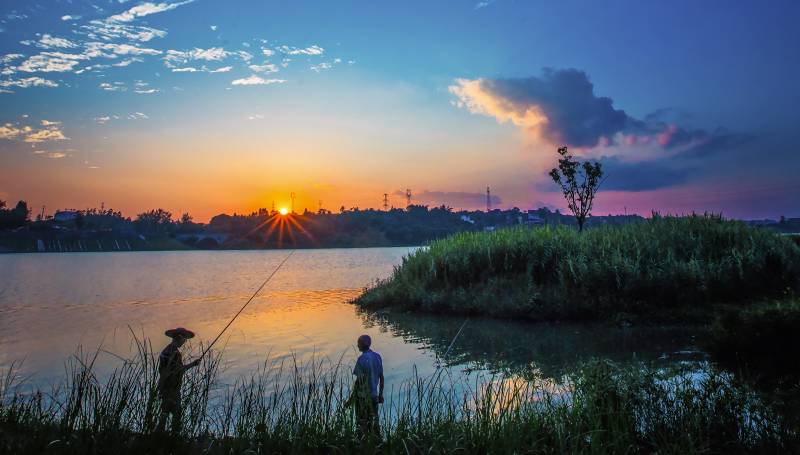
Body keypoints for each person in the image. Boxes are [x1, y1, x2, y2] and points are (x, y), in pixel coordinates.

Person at [157, 327, 200, 433]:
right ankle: (174, 438)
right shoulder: (174, 353)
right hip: (172, 389)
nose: (184, 342)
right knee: (176, 414)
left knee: (165, 412)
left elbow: (169, 370)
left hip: (165, 388)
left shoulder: (166, 350)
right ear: (179, 338)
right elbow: (178, 370)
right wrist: (193, 364)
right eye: (184, 339)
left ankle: (158, 436)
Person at [349, 334, 384, 439]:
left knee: (361, 424)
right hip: (374, 397)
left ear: (363, 344)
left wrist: (351, 399)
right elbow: (382, 378)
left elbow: (359, 382)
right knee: (374, 424)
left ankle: (362, 445)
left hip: (363, 398)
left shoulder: (361, 359)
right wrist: (380, 395)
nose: (357, 345)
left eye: (358, 343)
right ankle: (377, 443)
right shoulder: (378, 357)